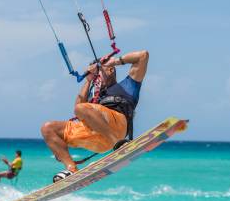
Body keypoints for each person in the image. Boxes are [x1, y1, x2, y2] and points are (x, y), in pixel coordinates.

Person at [41, 50, 149, 182]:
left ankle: (119, 144)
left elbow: (143, 56)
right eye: (95, 76)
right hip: (98, 138)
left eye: (98, 74)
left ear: (110, 71)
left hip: (118, 126)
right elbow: (78, 109)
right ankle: (71, 168)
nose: (96, 79)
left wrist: (113, 62)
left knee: (81, 108)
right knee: (48, 128)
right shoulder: (95, 97)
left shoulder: (128, 85)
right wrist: (88, 80)